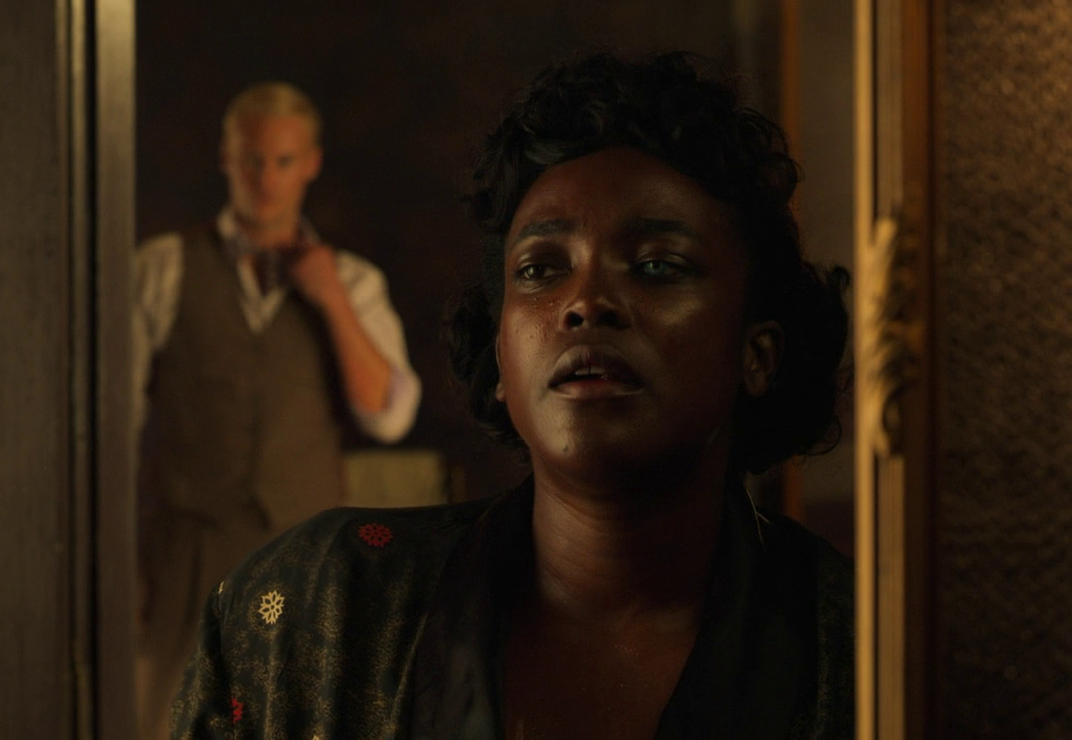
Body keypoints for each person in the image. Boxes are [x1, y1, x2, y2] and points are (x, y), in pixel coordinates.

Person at [170, 52, 853, 739]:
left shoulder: (858, 650)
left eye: (655, 265)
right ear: (499, 355)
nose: (586, 301)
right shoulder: (312, 611)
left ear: (757, 354)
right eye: (540, 269)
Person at [133, 82, 421, 739]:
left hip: (303, 554)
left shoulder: (353, 281)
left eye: (283, 161)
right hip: (186, 555)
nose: (266, 180)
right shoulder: (163, 268)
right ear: (226, 159)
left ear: (310, 164)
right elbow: (110, 422)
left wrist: (330, 300)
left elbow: (388, 416)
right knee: (169, 721)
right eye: (252, 160)